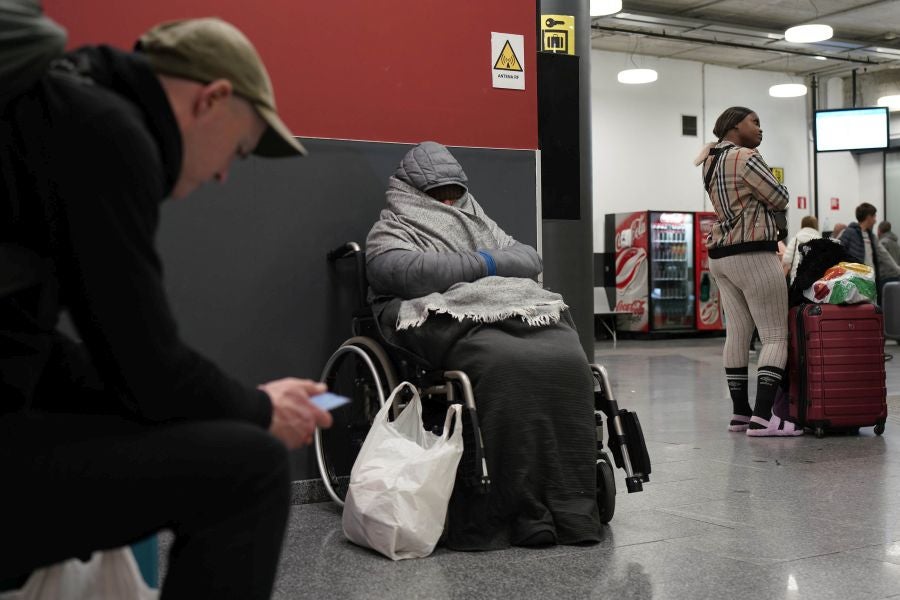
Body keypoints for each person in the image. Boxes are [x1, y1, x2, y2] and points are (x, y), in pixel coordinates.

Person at [0, 13, 333, 599]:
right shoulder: (111, 135)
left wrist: (224, 405)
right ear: (213, 98)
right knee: (250, 470)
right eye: (240, 147)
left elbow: (45, 349)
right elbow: (147, 368)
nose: (226, 173)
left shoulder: (59, 108)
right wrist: (256, 411)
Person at [365, 141, 601, 550]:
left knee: (566, 357)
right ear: (411, 193)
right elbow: (400, 270)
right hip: (444, 319)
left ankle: (571, 504)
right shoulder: (392, 228)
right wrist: (488, 264)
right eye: (438, 193)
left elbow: (529, 258)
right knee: (502, 365)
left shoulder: (481, 222)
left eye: (454, 190)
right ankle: (514, 510)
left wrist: (475, 268)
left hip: (505, 311)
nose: (449, 200)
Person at [695, 106, 800, 436]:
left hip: (721, 255)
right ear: (733, 125)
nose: (760, 129)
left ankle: (741, 413)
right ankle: (764, 417)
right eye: (755, 121)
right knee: (773, 335)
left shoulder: (710, 161)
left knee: (737, 332)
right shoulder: (746, 156)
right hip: (753, 251)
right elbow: (780, 198)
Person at [837, 203, 900, 300]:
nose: (875, 220)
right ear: (868, 217)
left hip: (871, 282)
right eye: (874, 216)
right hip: (855, 282)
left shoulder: (871, 236)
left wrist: (897, 269)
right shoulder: (849, 232)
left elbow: (884, 254)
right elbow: (836, 250)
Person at [783, 215, 822, 284]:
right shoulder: (821, 241)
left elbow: (786, 260)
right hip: (814, 281)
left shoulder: (795, 240)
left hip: (796, 280)